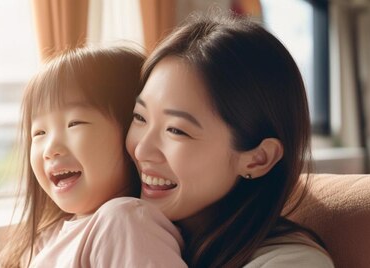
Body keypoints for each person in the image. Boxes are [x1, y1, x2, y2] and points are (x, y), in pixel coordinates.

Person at [126, 12, 335, 267]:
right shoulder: (129, 234)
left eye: (176, 130)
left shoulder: (292, 262)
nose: (142, 150)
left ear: (258, 159)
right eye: (140, 117)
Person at [0, 46, 187, 268]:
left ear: (130, 131)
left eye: (74, 123)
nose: (50, 148)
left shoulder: (125, 222)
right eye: (39, 133)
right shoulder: (47, 237)